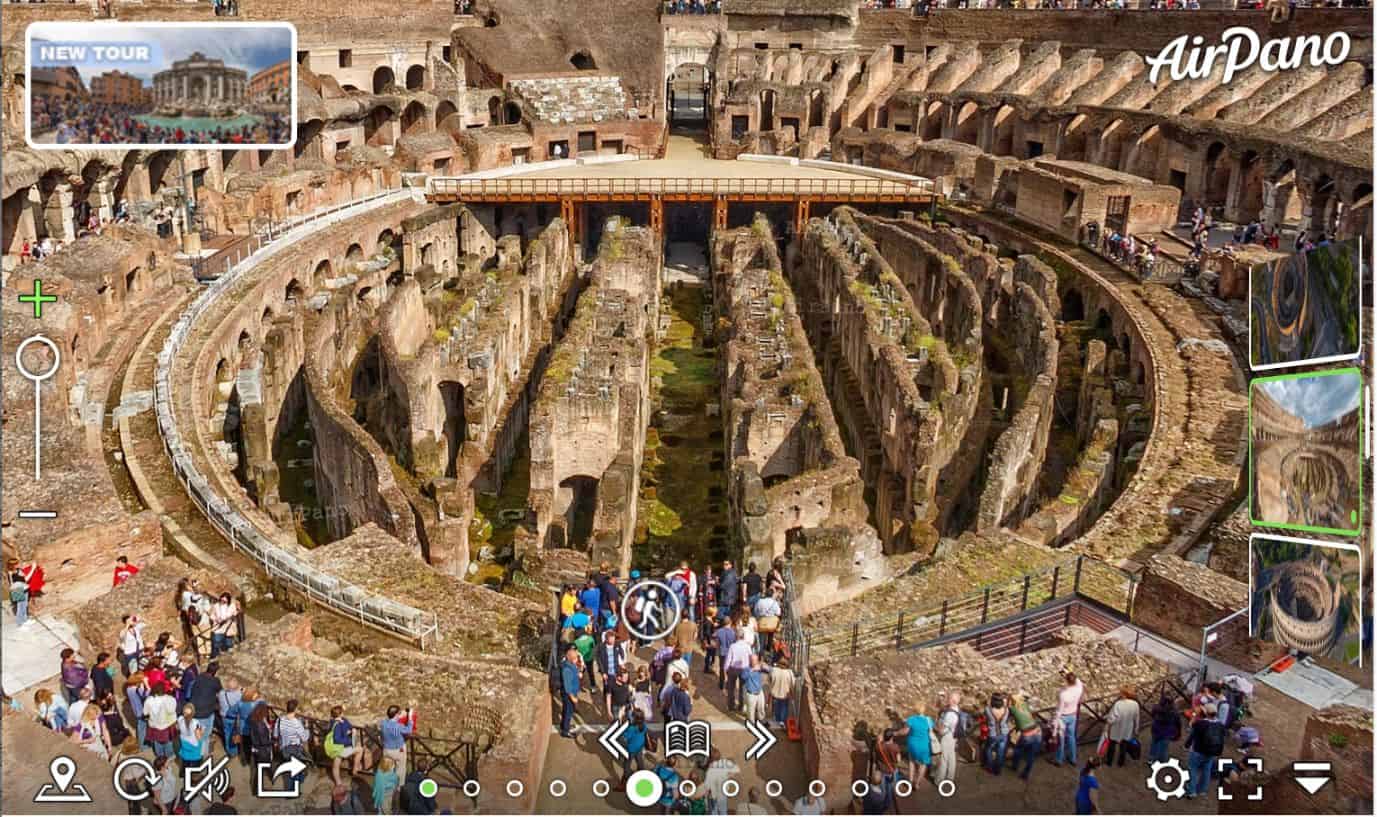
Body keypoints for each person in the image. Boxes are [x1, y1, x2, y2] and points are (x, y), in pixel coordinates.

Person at [1184, 703, 1226, 800]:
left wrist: (1186, 745)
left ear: (1205, 712)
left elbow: (1192, 735)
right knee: (1206, 770)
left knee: (1193, 769)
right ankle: (1202, 790)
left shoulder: (1200, 723)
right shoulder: (1220, 725)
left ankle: (1191, 791)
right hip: (1212, 752)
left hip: (1198, 750)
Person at [325, 705, 369, 784]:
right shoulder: (337, 724)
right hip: (340, 748)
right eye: (342, 712)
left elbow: (349, 726)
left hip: (336, 748)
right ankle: (354, 770)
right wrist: (350, 741)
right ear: (340, 714)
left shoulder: (338, 721)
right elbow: (337, 739)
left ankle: (338, 783)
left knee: (336, 765)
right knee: (360, 750)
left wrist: (351, 730)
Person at [898, 702, 934, 789]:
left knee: (911, 762)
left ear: (915, 709)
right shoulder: (929, 720)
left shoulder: (911, 719)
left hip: (913, 744)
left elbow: (905, 731)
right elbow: (931, 731)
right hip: (925, 745)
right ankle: (917, 783)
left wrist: (896, 733)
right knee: (923, 764)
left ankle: (910, 781)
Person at [1103, 686, 1140, 767]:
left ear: (1124, 694)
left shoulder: (1118, 704)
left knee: (1112, 745)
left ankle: (1109, 761)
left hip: (1117, 728)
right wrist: (1136, 729)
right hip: (1127, 728)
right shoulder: (1135, 704)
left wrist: (1108, 723)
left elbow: (1113, 717)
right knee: (1123, 746)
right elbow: (1136, 718)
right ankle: (1121, 762)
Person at [275, 699, 311, 783]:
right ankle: (294, 787)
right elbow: (305, 738)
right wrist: (306, 727)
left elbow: (275, 735)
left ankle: (291, 786)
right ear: (295, 709)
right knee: (297, 769)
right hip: (295, 750)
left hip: (284, 749)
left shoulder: (279, 720)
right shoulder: (297, 723)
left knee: (290, 769)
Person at [1009, 691, 1042, 781]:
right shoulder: (1025, 705)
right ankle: (1026, 774)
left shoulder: (1012, 708)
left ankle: (1015, 766)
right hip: (1037, 731)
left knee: (1017, 750)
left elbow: (1009, 709)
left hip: (1027, 734)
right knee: (1031, 756)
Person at [1055, 671, 1084, 767]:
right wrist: (1068, 672)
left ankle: (1059, 760)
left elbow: (1059, 710)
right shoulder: (1079, 689)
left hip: (1063, 717)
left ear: (1066, 681)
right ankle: (1073, 758)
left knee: (1061, 739)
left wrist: (1055, 723)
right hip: (1073, 715)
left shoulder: (1063, 694)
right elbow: (1078, 681)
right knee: (1071, 737)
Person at [933, 692, 961, 785]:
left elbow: (942, 730)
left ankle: (939, 780)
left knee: (944, 759)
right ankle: (950, 777)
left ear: (953, 701)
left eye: (949, 698)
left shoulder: (949, 715)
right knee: (951, 757)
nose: (947, 700)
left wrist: (935, 727)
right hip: (953, 736)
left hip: (947, 737)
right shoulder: (956, 709)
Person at [145, 681, 178, 759]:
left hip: (154, 726)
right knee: (168, 742)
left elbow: (145, 713)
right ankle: (169, 757)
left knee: (157, 741)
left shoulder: (149, 699)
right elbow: (172, 710)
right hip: (168, 726)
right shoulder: (170, 699)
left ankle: (159, 757)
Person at [723, 627, 752, 711]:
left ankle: (731, 706)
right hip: (744, 669)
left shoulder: (733, 646)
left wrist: (725, 669)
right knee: (743, 689)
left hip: (733, 669)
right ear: (743, 636)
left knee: (731, 688)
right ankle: (741, 706)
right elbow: (750, 658)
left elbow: (728, 659)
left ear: (736, 636)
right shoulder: (747, 646)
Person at [620, 709, 650, 786]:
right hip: (640, 747)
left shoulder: (631, 728)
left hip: (631, 749)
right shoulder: (644, 725)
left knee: (627, 764)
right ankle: (642, 775)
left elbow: (624, 737)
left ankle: (626, 778)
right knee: (640, 761)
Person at [984, 692, 1011, 774]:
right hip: (1004, 733)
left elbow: (986, 718)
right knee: (1000, 751)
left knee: (988, 749)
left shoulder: (988, 709)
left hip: (992, 734)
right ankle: (998, 770)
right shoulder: (1006, 710)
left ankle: (990, 767)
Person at [1148, 695, 1181, 763]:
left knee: (1154, 743)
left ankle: (1151, 758)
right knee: (1164, 746)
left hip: (1156, 729)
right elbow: (1178, 723)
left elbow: (1152, 715)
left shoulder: (1156, 708)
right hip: (1167, 731)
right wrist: (1178, 732)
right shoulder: (1174, 711)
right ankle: (1162, 759)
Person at [177, 703, 205, 772]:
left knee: (185, 762)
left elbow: (177, 728)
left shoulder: (180, 719)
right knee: (195, 765)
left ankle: (184, 772)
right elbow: (199, 737)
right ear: (193, 713)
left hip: (184, 744)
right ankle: (193, 776)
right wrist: (202, 730)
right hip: (194, 747)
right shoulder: (196, 723)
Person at [767, 657, 794, 728]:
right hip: (785, 693)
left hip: (775, 692)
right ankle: (782, 721)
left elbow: (769, 680)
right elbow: (792, 683)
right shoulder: (789, 672)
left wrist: (771, 686)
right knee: (784, 707)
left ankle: (777, 718)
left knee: (776, 706)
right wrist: (792, 691)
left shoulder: (774, 670)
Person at [559, 647, 581, 738]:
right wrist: (573, 698)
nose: (577, 660)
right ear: (571, 658)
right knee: (568, 712)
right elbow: (567, 687)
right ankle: (565, 731)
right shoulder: (567, 670)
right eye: (575, 658)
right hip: (569, 695)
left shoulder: (569, 665)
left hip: (572, 692)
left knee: (566, 711)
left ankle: (564, 725)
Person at [741, 654, 767, 721]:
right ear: (749, 661)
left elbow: (770, 670)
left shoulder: (759, 667)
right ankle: (751, 723)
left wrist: (764, 666)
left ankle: (761, 721)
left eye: (755, 660)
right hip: (751, 693)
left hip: (759, 692)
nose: (754, 662)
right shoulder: (746, 669)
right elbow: (743, 676)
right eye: (752, 660)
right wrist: (752, 670)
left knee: (761, 709)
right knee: (751, 711)